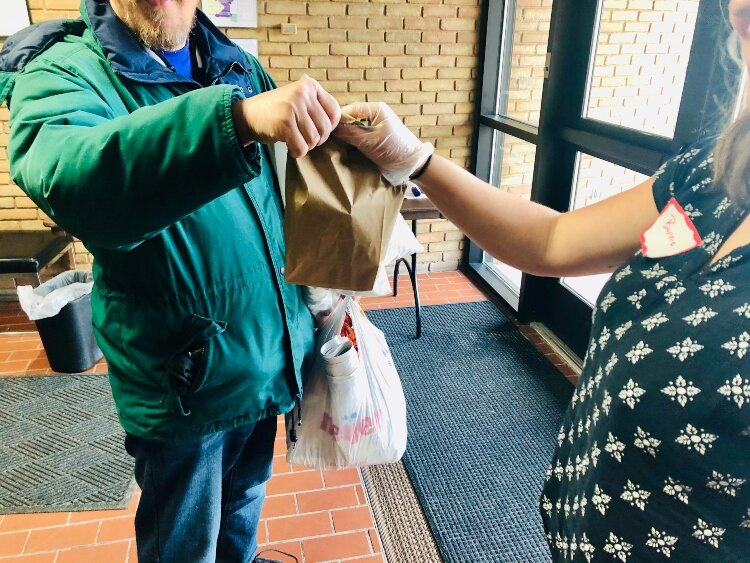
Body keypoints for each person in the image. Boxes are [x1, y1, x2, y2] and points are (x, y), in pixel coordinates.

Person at [335, 3, 750, 557]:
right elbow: (552, 241)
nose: (738, 9)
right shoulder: (712, 178)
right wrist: (414, 160)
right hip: (581, 527)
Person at [0, 0, 340, 561]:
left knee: (241, 518)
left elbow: (280, 196)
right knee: (182, 546)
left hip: (264, 362)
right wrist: (234, 121)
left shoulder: (232, 62)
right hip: (185, 385)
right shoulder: (63, 70)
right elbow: (75, 180)